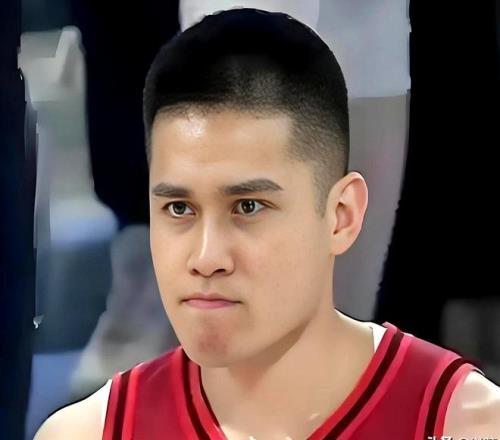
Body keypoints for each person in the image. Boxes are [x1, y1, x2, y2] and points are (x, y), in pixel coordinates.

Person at [34, 8, 500, 440]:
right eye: (179, 208)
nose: (206, 258)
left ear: (342, 216)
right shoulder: (89, 432)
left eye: (248, 207)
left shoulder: (468, 423)